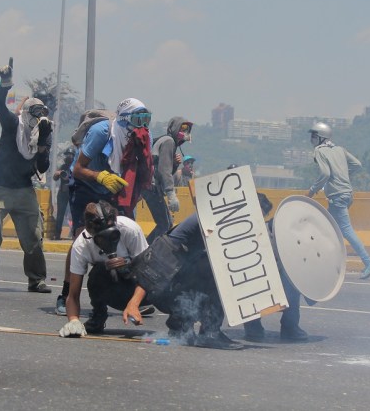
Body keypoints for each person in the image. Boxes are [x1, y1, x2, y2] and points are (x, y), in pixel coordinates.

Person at [55, 98, 154, 315]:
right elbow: (78, 169)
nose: (142, 126)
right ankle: (65, 294)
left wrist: (133, 195)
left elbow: (141, 171)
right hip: (86, 184)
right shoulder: (102, 132)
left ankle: (132, 297)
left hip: (116, 188)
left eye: (146, 120)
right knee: (83, 236)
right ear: (125, 119)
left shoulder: (146, 137)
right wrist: (100, 177)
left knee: (124, 237)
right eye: (138, 119)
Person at [0, 58, 53, 294]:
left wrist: (41, 146)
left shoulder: (44, 132)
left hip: (24, 190)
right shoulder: (12, 125)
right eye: (35, 112)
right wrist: (5, 84)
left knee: (34, 236)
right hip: (0, 188)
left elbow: (43, 167)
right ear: (27, 112)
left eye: (42, 113)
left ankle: (36, 279)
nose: (37, 117)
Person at [122, 212, 244, 350]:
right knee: (216, 275)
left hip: (178, 281)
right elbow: (152, 272)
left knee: (213, 270)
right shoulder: (173, 243)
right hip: (164, 290)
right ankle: (199, 331)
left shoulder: (217, 221)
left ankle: (190, 329)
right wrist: (134, 304)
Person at [58, 200, 151, 335]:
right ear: (91, 233)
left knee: (169, 274)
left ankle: (180, 319)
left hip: (142, 290)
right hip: (113, 294)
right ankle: (98, 315)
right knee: (98, 273)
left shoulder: (129, 229)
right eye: (102, 238)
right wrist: (73, 320)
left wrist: (134, 302)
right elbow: (73, 295)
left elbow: (149, 272)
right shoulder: (81, 246)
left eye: (113, 235)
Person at [306, 122, 370, 280]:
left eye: (313, 136)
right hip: (347, 194)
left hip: (337, 196)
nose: (311, 140)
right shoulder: (339, 149)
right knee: (329, 230)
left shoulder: (319, 151)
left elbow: (325, 173)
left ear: (320, 138)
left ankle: (368, 262)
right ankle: (326, 264)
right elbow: (357, 164)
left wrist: (311, 191)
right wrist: (342, 174)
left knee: (345, 230)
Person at [243, 192, 308, 342]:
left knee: (293, 284)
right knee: (248, 285)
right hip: (254, 275)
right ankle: (253, 326)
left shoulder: (274, 228)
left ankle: (290, 326)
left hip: (275, 272)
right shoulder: (241, 231)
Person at [141, 116, 192, 244]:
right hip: (151, 187)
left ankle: (145, 250)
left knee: (167, 223)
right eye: (183, 128)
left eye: (187, 129)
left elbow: (164, 168)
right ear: (174, 128)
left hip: (150, 187)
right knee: (165, 224)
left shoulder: (168, 142)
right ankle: (145, 252)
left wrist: (174, 164)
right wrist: (171, 194)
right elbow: (164, 171)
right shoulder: (169, 141)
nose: (185, 132)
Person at [51, 147, 75, 240]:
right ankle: (57, 234)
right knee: (60, 214)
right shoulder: (62, 167)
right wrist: (57, 173)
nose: (69, 157)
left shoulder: (76, 166)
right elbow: (55, 178)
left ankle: (74, 233)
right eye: (67, 155)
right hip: (63, 193)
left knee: (73, 214)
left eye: (71, 155)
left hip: (73, 193)